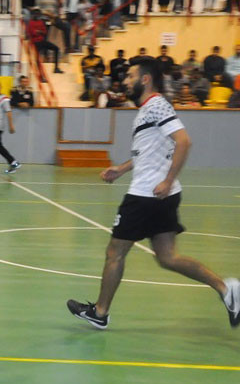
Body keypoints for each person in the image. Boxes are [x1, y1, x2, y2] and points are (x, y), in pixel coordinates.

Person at [67, 60, 239, 329]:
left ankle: (100, 313)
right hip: (160, 196)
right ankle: (226, 289)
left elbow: (184, 141)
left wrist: (168, 180)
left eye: (131, 76)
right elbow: (148, 152)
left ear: (145, 79)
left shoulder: (156, 105)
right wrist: (121, 169)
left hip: (147, 195)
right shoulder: (149, 109)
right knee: (167, 257)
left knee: (115, 252)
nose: (125, 80)